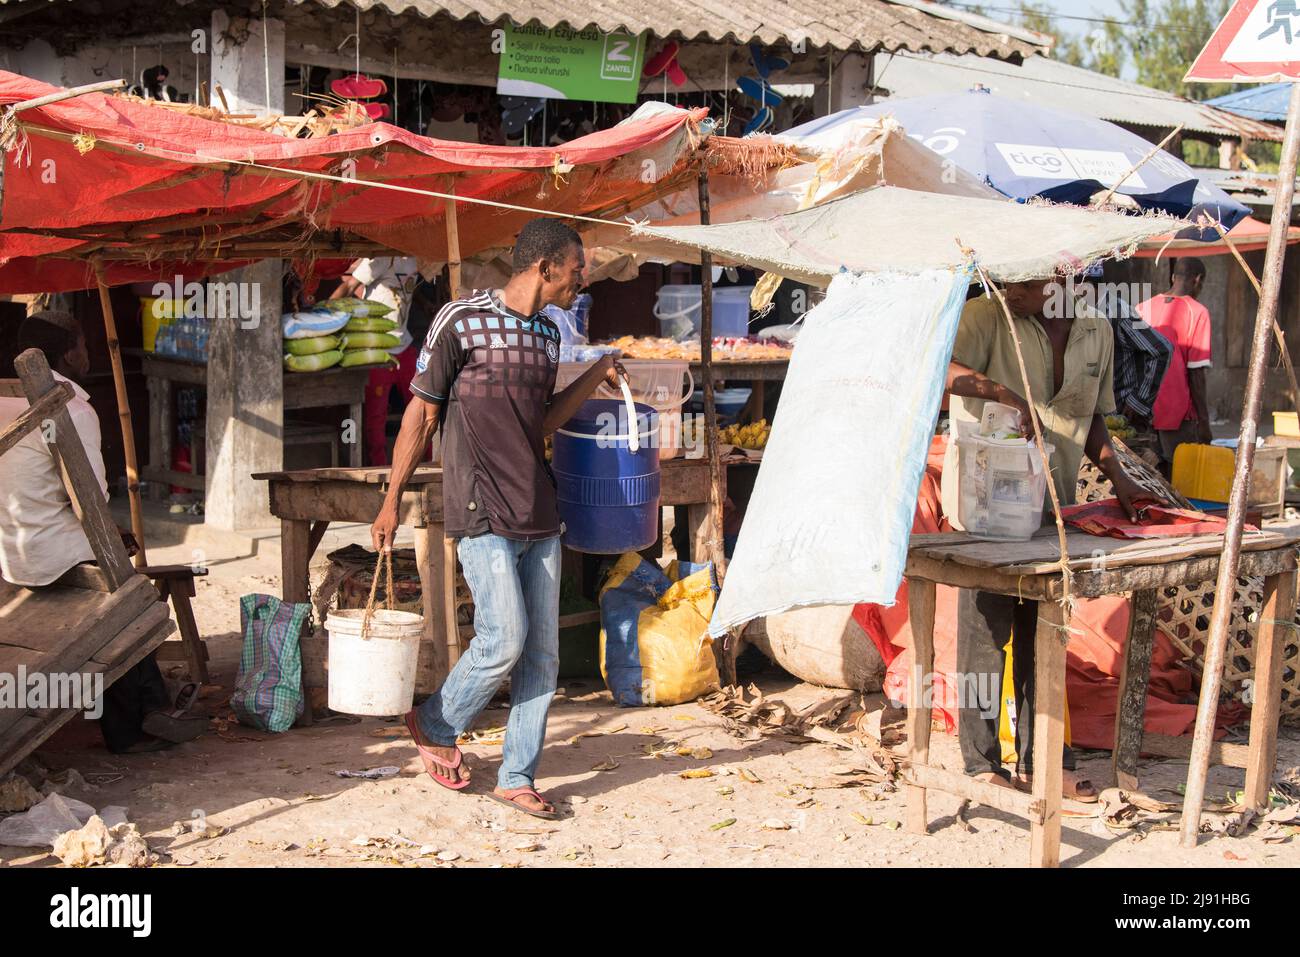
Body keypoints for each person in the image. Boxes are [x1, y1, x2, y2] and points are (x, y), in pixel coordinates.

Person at [371, 218, 626, 819]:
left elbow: (538, 424)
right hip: (478, 507)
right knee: (503, 637)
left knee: (543, 655)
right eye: (577, 267)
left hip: (538, 508)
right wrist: (390, 499)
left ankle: (517, 775)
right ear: (546, 267)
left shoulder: (548, 335)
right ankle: (434, 721)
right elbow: (421, 416)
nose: (582, 279)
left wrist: (594, 375)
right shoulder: (460, 320)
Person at [942, 280, 1148, 800]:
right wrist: (1002, 394)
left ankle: (1044, 761)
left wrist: (1119, 478)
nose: (1011, 286)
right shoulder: (985, 315)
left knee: (1046, 636)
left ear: (1063, 279)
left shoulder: (1096, 330)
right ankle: (981, 762)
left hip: (1052, 506)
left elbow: (1091, 414)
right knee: (985, 637)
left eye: (1026, 278)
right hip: (984, 507)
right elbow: (937, 373)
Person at [0, 312, 203, 753]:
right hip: (59, 557)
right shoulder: (71, 408)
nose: (87, 353)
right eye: (83, 344)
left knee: (123, 581)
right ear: (70, 351)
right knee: (131, 605)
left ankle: (150, 708)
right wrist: (112, 536)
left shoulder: (2, 401)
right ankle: (135, 726)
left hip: (14, 556)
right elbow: (86, 501)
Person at [332, 256, 422, 465]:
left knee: (420, 410)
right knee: (375, 420)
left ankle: (422, 464)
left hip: (405, 346)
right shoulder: (379, 259)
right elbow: (350, 285)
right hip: (378, 350)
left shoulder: (417, 259)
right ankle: (378, 469)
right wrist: (325, 310)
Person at [1135, 258, 1213, 470]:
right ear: (1198, 280)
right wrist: (1204, 422)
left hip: (1142, 412)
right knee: (1181, 479)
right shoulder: (1197, 312)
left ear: (1173, 277)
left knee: (1148, 477)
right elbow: (1196, 373)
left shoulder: (1142, 309)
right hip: (1178, 415)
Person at [1075, 267, 1172, 433]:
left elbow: (1162, 350)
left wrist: (1139, 402)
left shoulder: (1120, 313)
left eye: (1068, 285)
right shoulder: (1083, 312)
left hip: (1123, 418)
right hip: (1096, 417)